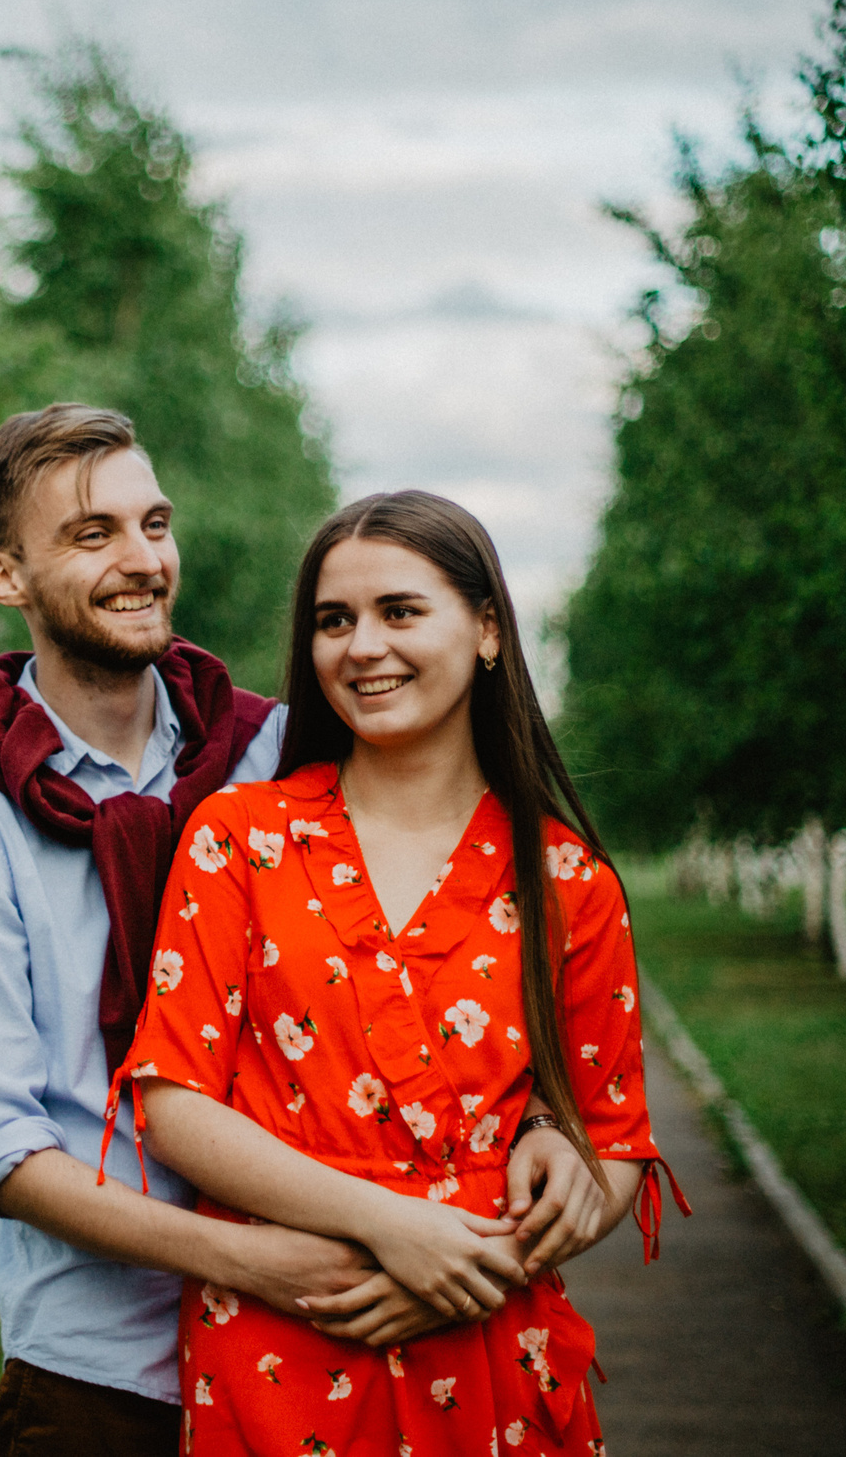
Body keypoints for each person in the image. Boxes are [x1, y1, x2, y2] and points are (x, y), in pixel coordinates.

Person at [0, 411, 590, 1457]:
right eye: (92, 536)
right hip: (104, 1364)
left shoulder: (268, 750)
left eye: (153, 523)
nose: (140, 561)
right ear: (7, 577)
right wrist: (254, 1260)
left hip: (336, 1338)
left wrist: (547, 1114)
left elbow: (433, 943)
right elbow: (6, 1154)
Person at [111, 490, 681, 1457]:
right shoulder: (240, 840)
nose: (361, 646)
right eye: (334, 620)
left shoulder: (568, 880)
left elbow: (614, 1140)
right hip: (285, 1348)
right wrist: (393, 1227)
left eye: (400, 610)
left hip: (496, 1354)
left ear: (488, 627)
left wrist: (471, 1265)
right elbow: (175, 1103)